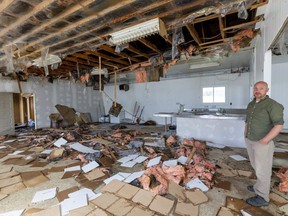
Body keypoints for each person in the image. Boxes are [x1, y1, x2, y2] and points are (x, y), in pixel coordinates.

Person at [244, 81, 284, 207]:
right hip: (250, 139)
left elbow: (279, 125)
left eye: (261, 88)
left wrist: (266, 140)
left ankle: (263, 197)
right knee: (256, 166)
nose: (257, 90)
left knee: (263, 169)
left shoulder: (273, 105)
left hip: (262, 142)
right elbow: (247, 120)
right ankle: (259, 187)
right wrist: (245, 133)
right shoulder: (252, 104)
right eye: (256, 88)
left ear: (267, 90)